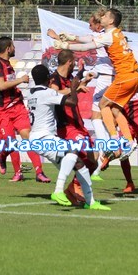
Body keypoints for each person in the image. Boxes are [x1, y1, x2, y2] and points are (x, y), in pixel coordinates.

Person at [54, 8, 138, 164]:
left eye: (105, 16)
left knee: (102, 105)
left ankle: (115, 142)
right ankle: (128, 140)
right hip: (134, 77)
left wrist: (65, 45)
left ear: (111, 21)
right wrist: (71, 37)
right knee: (114, 109)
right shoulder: (115, 34)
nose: (102, 17)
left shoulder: (109, 36)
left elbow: (86, 47)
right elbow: (89, 39)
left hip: (124, 77)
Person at [28, 64, 110, 210]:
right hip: (44, 138)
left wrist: (78, 80)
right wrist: (73, 87)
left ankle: (90, 202)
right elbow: (72, 102)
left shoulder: (32, 93)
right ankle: (58, 191)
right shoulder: (47, 93)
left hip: (37, 138)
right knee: (73, 150)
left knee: (79, 165)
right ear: (48, 79)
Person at [48, 8, 113, 181]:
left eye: (91, 24)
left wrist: (62, 42)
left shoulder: (104, 36)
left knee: (96, 116)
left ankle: (108, 147)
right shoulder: (108, 36)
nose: (90, 27)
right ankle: (105, 154)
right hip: (109, 76)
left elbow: (85, 43)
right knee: (107, 115)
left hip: (107, 78)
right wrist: (66, 38)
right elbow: (83, 39)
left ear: (99, 23)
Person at [0, 36, 50, 183]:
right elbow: (1, 86)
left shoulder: (7, 64)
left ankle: (39, 172)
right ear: (8, 48)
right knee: (11, 143)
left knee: (28, 137)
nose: (15, 48)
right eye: (13, 46)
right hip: (2, 110)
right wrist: (21, 80)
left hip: (17, 106)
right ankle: (3, 156)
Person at [49, 50, 97, 205]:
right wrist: (75, 88)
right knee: (87, 156)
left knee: (93, 161)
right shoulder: (54, 79)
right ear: (69, 62)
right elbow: (54, 94)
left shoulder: (69, 78)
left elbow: (73, 90)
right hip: (67, 126)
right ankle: (73, 188)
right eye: (74, 62)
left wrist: (84, 82)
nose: (75, 64)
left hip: (79, 125)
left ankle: (72, 187)